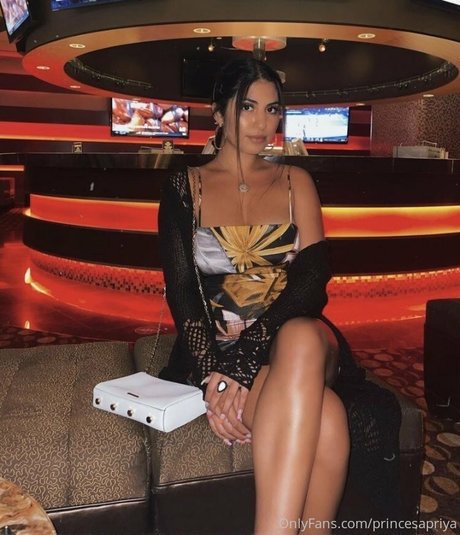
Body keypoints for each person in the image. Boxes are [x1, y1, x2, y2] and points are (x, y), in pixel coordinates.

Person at [158, 56, 401, 535]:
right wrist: (214, 375)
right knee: (328, 418)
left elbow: (311, 281)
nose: (262, 122)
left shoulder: (296, 181)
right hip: (221, 348)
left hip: (295, 338)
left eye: (272, 110)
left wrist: (247, 360)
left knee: (302, 337)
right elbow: (182, 290)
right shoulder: (185, 186)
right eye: (248, 107)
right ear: (219, 112)